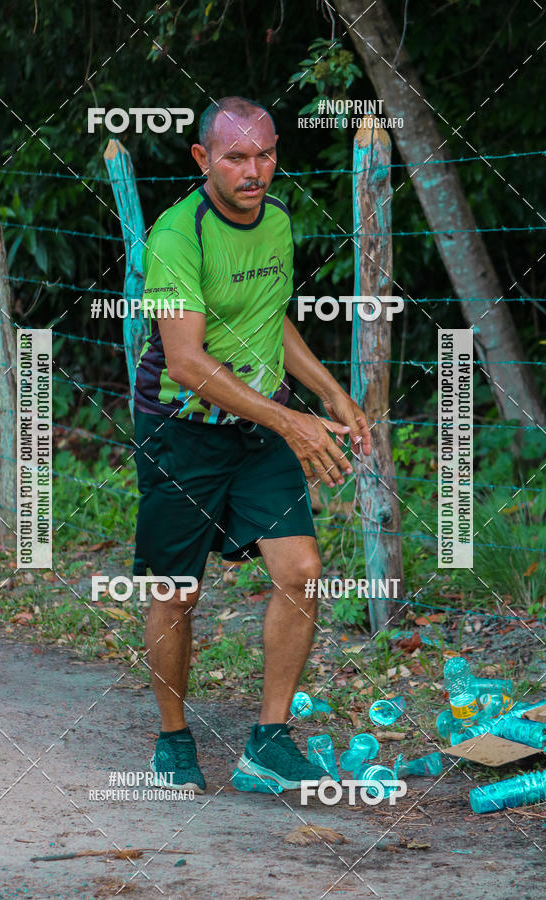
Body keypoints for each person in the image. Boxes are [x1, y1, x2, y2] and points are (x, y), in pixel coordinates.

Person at [133, 96, 372, 793]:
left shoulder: (277, 223)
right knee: (176, 594)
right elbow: (185, 360)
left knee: (300, 570)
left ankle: (267, 743)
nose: (254, 169)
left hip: (261, 427)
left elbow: (273, 323)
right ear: (204, 159)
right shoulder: (178, 236)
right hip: (182, 432)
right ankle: (173, 741)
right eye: (236, 156)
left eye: (264, 153)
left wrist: (328, 394)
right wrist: (290, 420)